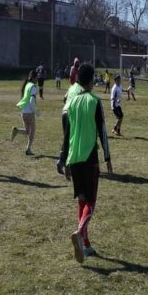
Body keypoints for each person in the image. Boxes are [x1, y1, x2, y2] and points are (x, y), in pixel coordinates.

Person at [61, 63, 112, 263]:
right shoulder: (95, 101)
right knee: (91, 202)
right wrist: (107, 157)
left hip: (74, 158)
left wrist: (64, 159)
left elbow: (67, 135)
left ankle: (86, 244)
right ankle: (80, 232)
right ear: (91, 81)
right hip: (90, 158)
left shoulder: (71, 103)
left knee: (82, 199)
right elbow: (102, 132)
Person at [56, 72, 84, 175]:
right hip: (72, 114)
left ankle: (61, 160)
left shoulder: (71, 87)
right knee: (72, 139)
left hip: (64, 113)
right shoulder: (81, 89)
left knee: (66, 138)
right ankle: (67, 162)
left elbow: (64, 98)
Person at [11, 70, 39, 155]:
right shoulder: (33, 87)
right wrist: (36, 111)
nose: (38, 79)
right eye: (37, 77)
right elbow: (31, 100)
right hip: (30, 112)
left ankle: (16, 130)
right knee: (32, 131)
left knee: (27, 131)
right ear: (34, 78)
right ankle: (28, 149)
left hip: (23, 111)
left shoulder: (27, 85)